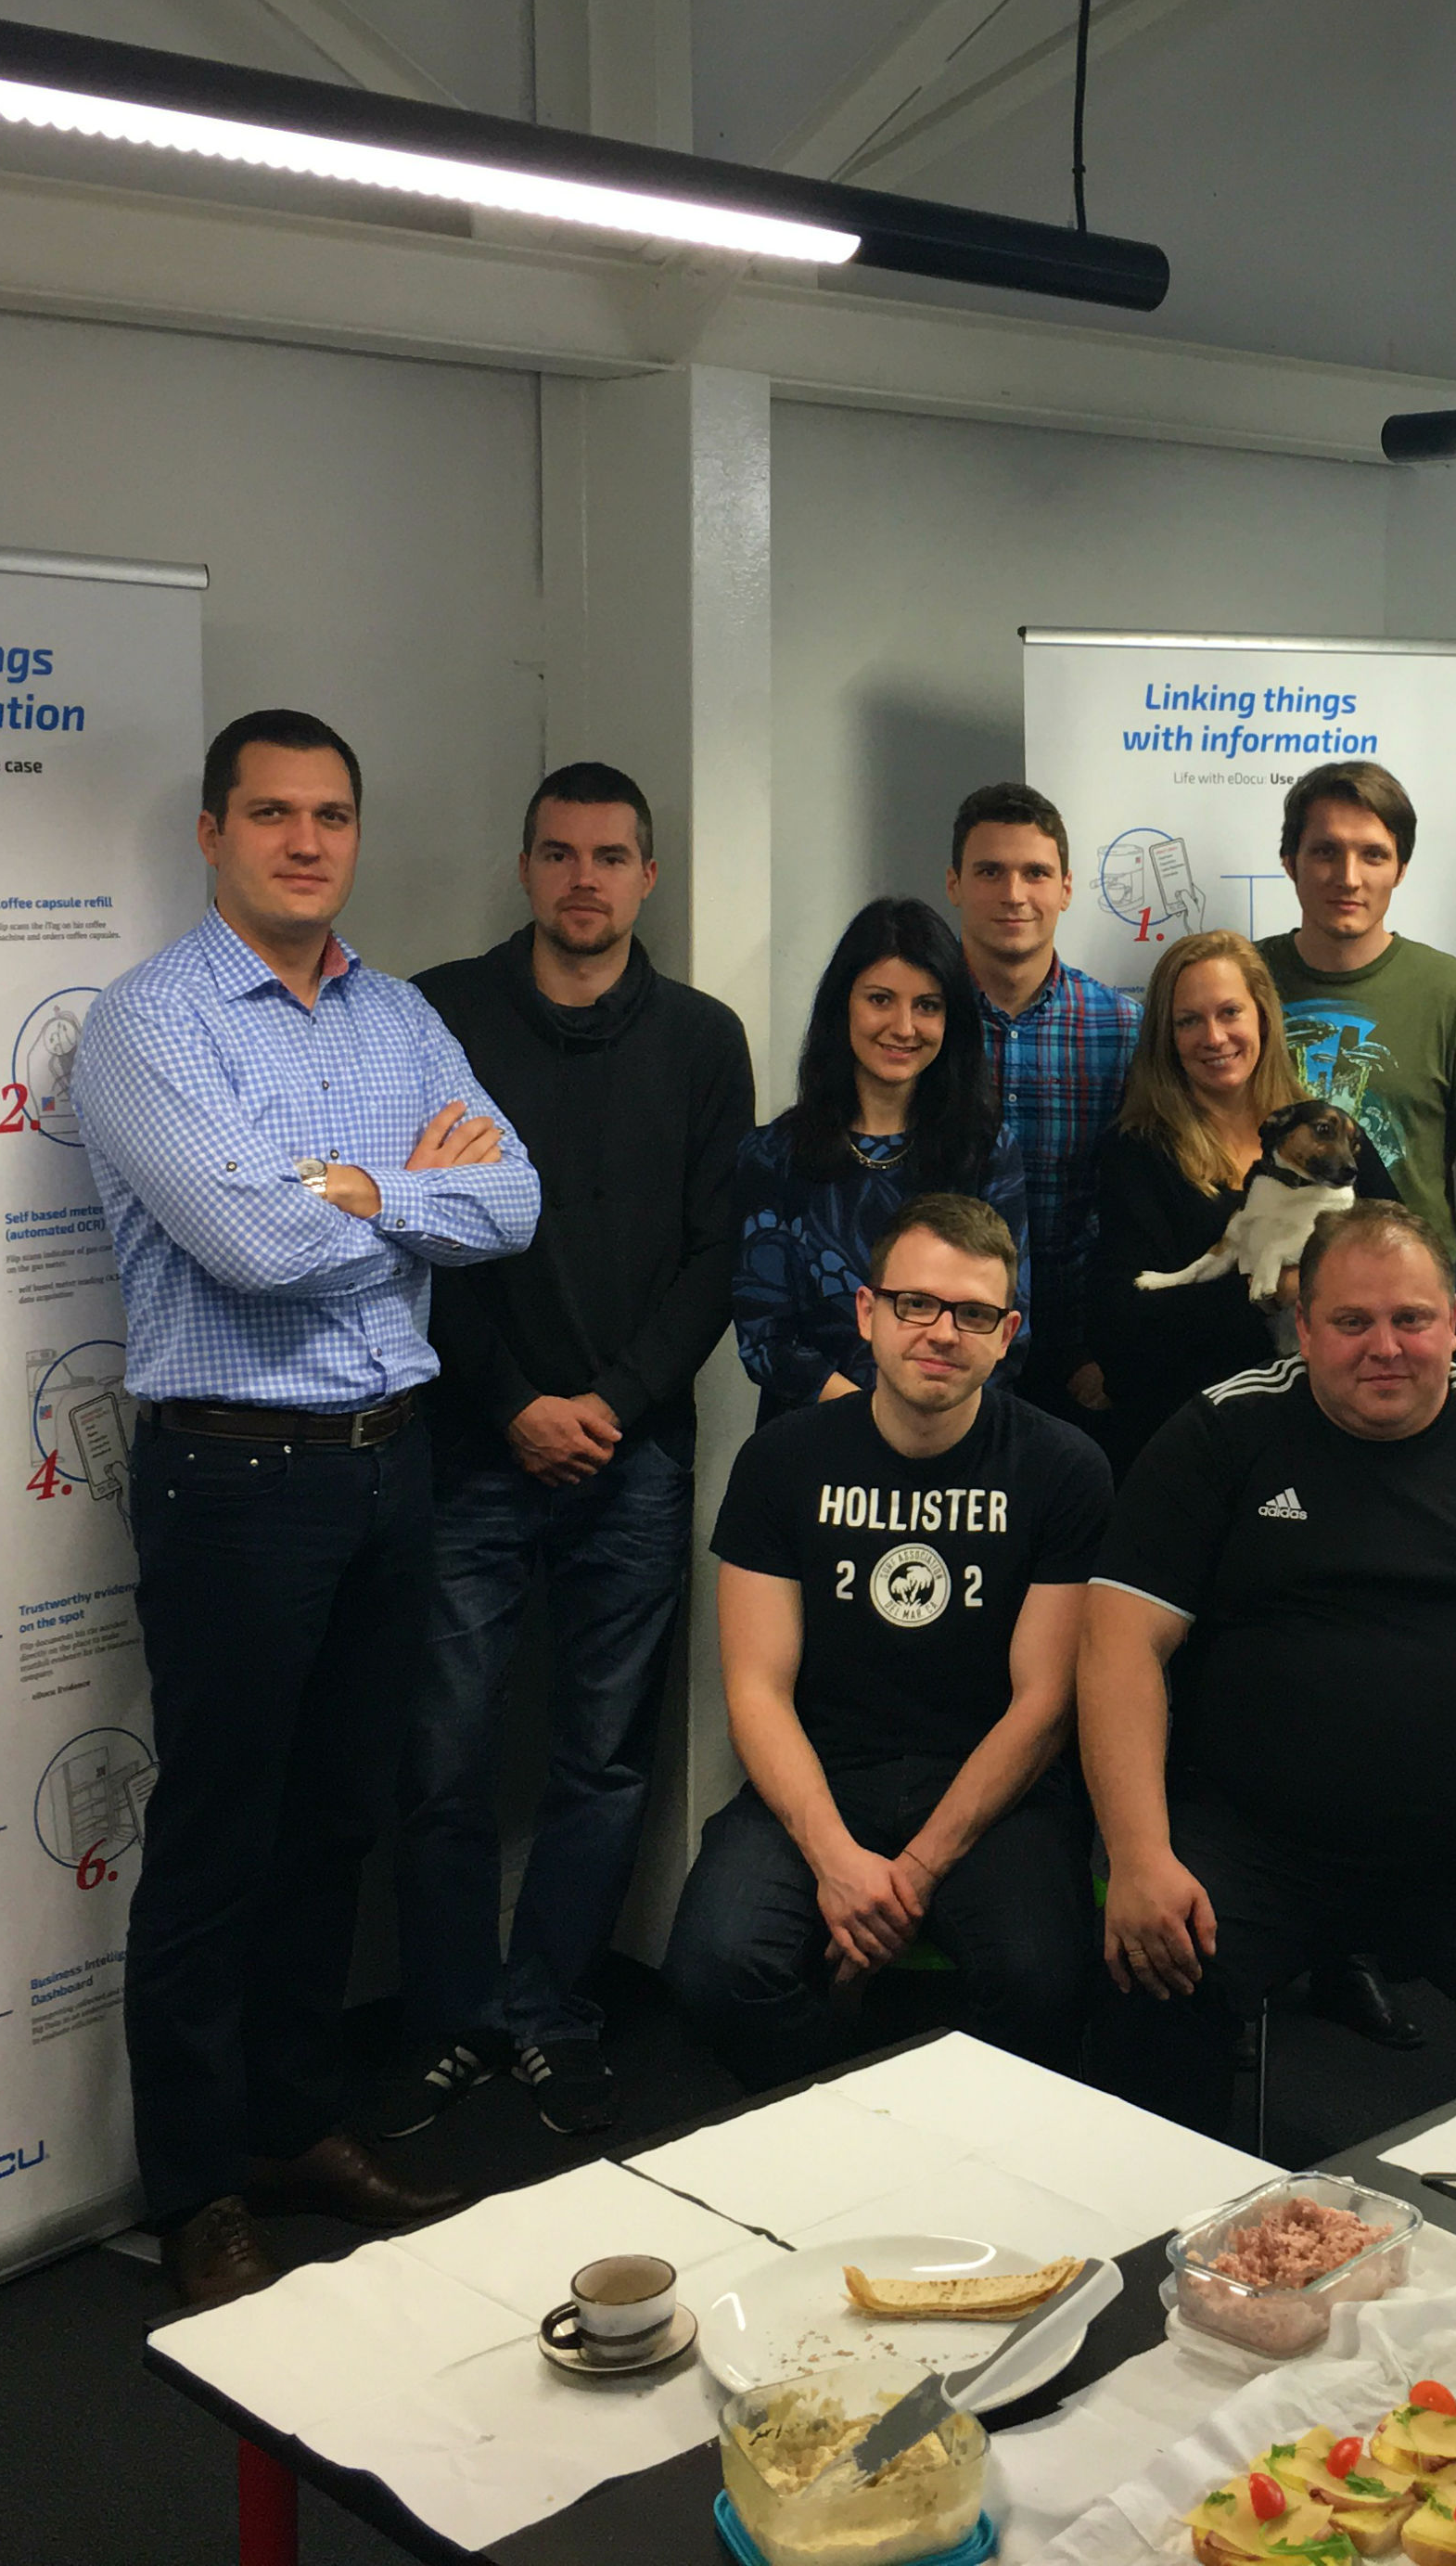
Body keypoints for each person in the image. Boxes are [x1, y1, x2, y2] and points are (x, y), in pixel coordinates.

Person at [70, 709, 538, 2310]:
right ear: (213, 833)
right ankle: (197, 2188)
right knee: (220, 1838)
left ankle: (292, 2128)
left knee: (337, 1820)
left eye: (330, 815)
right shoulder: (150, 1024)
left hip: (390, 1462)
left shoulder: (399, 1015)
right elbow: (249, 1248)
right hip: (235, 1477)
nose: (305, 842)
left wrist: (354, 1188)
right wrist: (404, 1201)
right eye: (270, 814)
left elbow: (514, 1201)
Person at [1081, 1203, 1456, 2130]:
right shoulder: (1223, 1432)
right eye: (1351, 1321)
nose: (1385, 1347)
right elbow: (1119, 1643)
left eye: (1411, 1319)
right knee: (1140, 1992)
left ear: (1452, 1321)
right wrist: (1138, 1856)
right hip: (1259, 1849)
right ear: (1303, 1328)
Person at [384, 761, 751, 2140]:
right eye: (558, 853)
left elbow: (718, 1253)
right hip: (472, 1443)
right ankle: (448, 2021)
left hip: (636, 1455)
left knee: (603, 1759)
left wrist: (612, 1401)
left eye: (609, 856)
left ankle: (549, 2014)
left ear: (646, 875)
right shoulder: (437, 1015)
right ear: (526, 866)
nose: (582, 879)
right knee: (442, 1758)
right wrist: (516, 1404)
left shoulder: (705, 1040)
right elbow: (417, 1228)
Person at [666, 1196, 1111, 2090]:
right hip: (824, 1775)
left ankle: (952, 2132)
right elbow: (755, 1689)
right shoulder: (782, 1460)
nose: (942, 1332)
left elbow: (1043, 1705)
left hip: (997, 1792)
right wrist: (837, 1861)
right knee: (714, 1969)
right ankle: (848, 2104)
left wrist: (913, 1871)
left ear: (1006, 1335)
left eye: (974, 1314)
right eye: (916, 1304)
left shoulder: (1064, 1468)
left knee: (1044, 1980)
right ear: (868, 1313)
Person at [1258, 760, 1456, 1377]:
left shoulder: (1454, 995)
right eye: (1325, 851)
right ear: (1290, 862)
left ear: (1402, 868)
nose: (1348, 877)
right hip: (1251, 1326)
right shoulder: (1239, 984)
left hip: (1405, 1336)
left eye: (1374, 854)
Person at [1087, 929, 1400, 1475]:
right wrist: (1276, 1290)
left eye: (1230, 1012)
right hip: (1201, 1431)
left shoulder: (1330, 1131)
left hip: (1340, 1424)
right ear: (1166, 1036)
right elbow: (1127, 1320)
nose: (1214, 1037)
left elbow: (1402, 1254)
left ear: (1263, 1018)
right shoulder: (1137, 1150)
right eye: (1188, 1021)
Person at [733, 898, 1028, 1422]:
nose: (904, 1027)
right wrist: (877, 1423)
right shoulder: (772, 1155)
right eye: (880, 999)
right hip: (812, 1438)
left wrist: (915, 1424)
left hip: (946, 1433)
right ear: (842, 1006)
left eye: (928, 1006)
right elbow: (765, 1339)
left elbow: (1009, 1327)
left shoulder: (985, 1151)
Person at [946, 783, 1136, 1439]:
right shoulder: (916, 1021)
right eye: (989, 872)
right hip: (943, 1341)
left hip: (1082, 1358)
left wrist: (1111, 1348)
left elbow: (1141, 1199)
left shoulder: (1124, 1029)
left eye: (1036, 873)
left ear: (1067, 888)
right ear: (953, 883)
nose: (1014, 894)